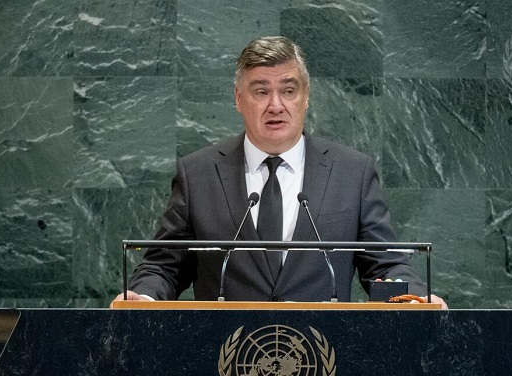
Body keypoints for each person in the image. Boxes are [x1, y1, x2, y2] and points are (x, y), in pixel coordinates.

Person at [113, 36, 447, 308]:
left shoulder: (352, 173)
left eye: (288, 90)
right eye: (261, 91)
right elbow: (164, 266)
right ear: (238, 99)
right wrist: (143, 296)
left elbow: (384, 264)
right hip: (225, 355)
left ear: (306, 97)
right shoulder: (198, 173)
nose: (276, 105)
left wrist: (414, 298)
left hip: (323, 355)